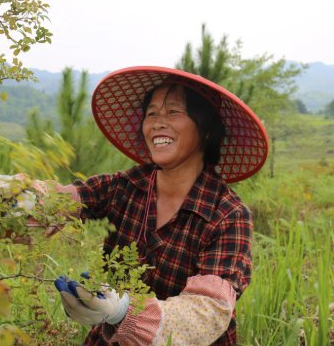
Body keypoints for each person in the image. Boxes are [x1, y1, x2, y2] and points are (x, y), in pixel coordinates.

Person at [52, 66, 269, 346]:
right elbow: (72, 197)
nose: (157, 123)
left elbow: (207, 311)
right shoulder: (129, 187)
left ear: (204, 129)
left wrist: (122, 312)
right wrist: (22, 200)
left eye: (173, 112)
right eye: (151, 113)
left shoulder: (227, 214)